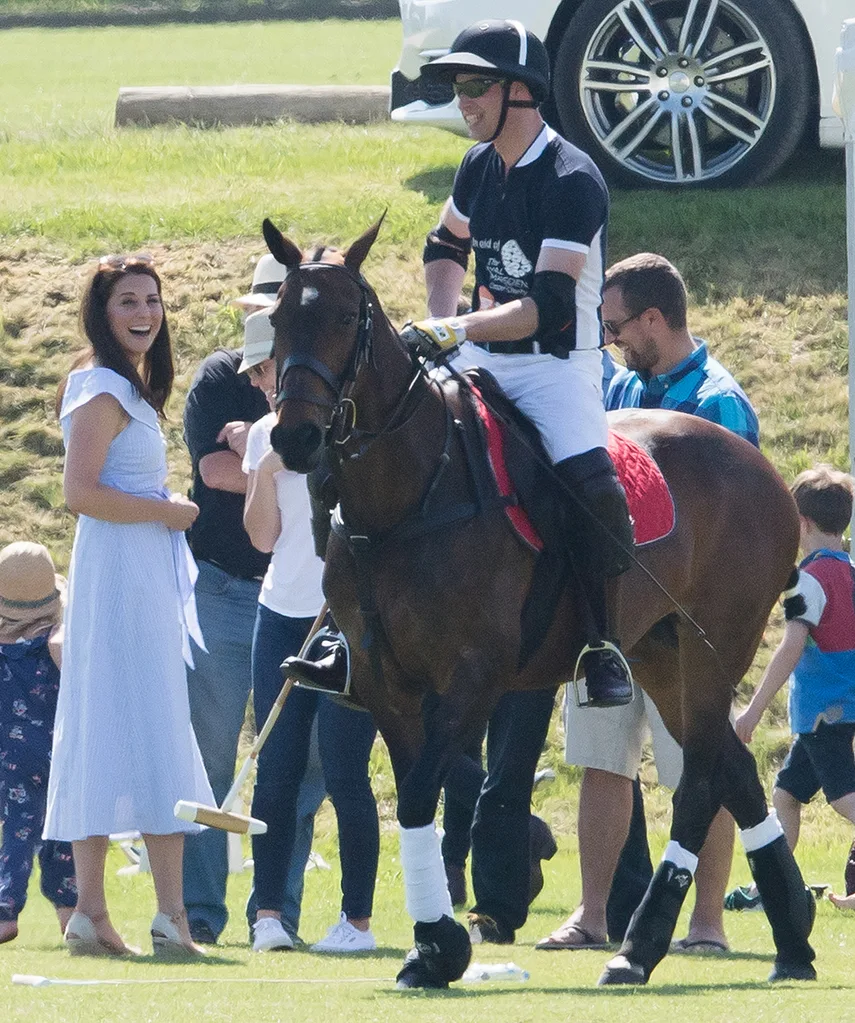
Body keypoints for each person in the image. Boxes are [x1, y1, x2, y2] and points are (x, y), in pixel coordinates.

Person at [538, 252, 760, 953]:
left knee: (702, 762)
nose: (609, 340)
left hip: (688, 621)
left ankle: (706, 923)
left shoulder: (718, 401)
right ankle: (593, 916)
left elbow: (732, 532)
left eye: (615, 326)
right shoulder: (621, 385)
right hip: (611, 611)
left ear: (654, 319)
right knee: (603, 759)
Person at [43, 253, 214, 959]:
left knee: (135, 724)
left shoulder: (128, 388)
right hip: (119, 579)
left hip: (136, 576)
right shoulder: (103, 387)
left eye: (152, 300)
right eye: (128, 302)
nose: (144, 313)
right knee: (129, 723)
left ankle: (110, 913)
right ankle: (150, 915)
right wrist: (165, 510)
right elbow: (79, 492)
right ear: (102, 313)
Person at [182, 252, 324, 946]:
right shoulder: (221, 377)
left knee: (298, 766)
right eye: (263, 304)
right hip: (223, 585)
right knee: (211, 755)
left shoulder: (323, 385)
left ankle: (277, 910)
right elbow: (211, 473)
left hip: (297, 597)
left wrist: (270, 453)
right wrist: (268, 458)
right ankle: (201, 913)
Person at [240, 312, 381, 954]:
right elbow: (263, 537)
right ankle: (267, 915)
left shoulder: (350, 431)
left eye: (277, 367)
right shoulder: (264, 438)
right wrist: (267, 470)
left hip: (345, 616)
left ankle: (356, 921)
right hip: (281, 613)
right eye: (262, 372)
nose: (272, 381)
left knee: (348, 772)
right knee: (277, 769)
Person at [735, 465, 855, 914]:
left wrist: (751, 711)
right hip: (832, 712)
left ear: (800, 523)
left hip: (825, 712)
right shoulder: (851, 572)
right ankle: (778, 890)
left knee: (845, 799)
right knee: (786, 794)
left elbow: (790, 648)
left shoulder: (806, 580)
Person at [0, 542, 77, 944]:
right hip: (57, 749)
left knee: (17, 828)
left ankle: (5, 910)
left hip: (9, 755)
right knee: (59, 832)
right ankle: (69, 911)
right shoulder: (55, 644)